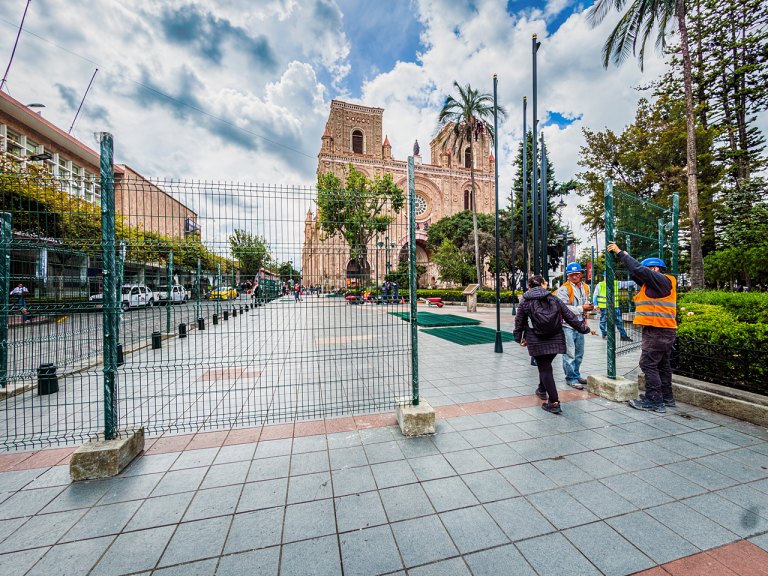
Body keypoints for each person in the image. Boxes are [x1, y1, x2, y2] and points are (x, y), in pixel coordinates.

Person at [607, 242, 677, 412]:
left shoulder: (662, 280)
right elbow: (637, 273)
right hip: (662, 329)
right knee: (662, 364)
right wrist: (627, 260)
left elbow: (639, 270)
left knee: (648, 364)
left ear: (656, 269)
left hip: (658, 329)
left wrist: (620, 253)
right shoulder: (654, 284)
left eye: (648, 269)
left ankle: (654, 401)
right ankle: (666, 397)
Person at [514, 275, 595, 414]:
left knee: (545, 369)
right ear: (543, 285)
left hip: (536, 339)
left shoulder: (525, 301)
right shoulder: (554, 298)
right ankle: (541, 389)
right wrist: (585, 329)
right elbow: (569, 316)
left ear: (529, 287)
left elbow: (519, 321)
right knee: (545, 366)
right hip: (555, 338)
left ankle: (554, 403)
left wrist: (519, 337)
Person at [555, 263, 595, 390]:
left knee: (579, 353)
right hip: (567, 326)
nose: (574, 276)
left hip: (579, 325)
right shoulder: (564, 289)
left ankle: (576, 375)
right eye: (571, 275)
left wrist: (588, 307)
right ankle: (571, 378)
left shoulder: (585, 287)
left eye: (577, 274)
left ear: (581, 274)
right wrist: (582, 308)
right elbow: (563, 308)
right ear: (568, 276)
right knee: (569, 354)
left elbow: (585, 302)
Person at [593, 272, 633, 341]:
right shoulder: (600, 285)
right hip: (604, 306)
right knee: (603, 321)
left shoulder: (616, 283)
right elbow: (595, 295)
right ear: (604, 277)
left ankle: (623, 336)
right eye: (605, 277)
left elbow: (626, 283)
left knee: (618, 321)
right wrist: (595, 305)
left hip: (615, 307)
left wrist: (639, 280)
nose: (606, 278)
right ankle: (604, 334)